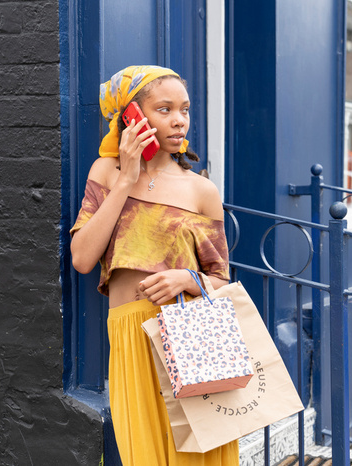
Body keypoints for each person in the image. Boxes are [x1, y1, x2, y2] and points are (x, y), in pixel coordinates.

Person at [70, 65, 239, 465]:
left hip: (189, 335)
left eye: (185, 109)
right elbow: (82, 258)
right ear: (132, 117)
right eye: (164, 109)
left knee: (199, 456)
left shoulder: (202, 191)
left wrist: (189, 278)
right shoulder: (106, 174)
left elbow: (222, 281)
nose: (180, 119)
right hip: (130, 333)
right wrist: (127, 179)